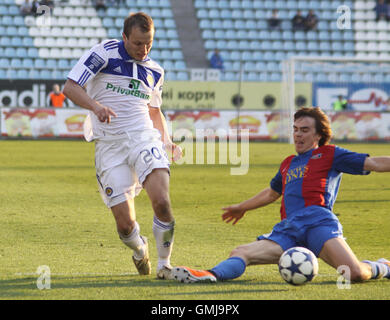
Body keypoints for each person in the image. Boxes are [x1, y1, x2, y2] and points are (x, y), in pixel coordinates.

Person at [172, 107, 390, 284]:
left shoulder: (330, 154)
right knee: (241, 252)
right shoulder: (287, 164)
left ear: (318, 134)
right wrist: (242, 207)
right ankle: (210, 274)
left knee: (354, 273)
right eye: (295, 129)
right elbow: (271, 193)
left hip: (318, 223)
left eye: (304, 130)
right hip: (289, 229)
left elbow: (373, 163)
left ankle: (383, 266)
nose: (297, 134)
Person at [63, 12, 182, 280]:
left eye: (149, 43)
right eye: (138, 43)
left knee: (162, 202)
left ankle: (165, 265)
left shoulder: (155, 71)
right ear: (125, 37)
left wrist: (167, 140)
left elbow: (154, 111)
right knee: (126, 225)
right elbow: (70, 87)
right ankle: (140, 250)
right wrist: (96, 106)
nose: (144, 49)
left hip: (143, 138)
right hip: (110, 145)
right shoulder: (103, 54)